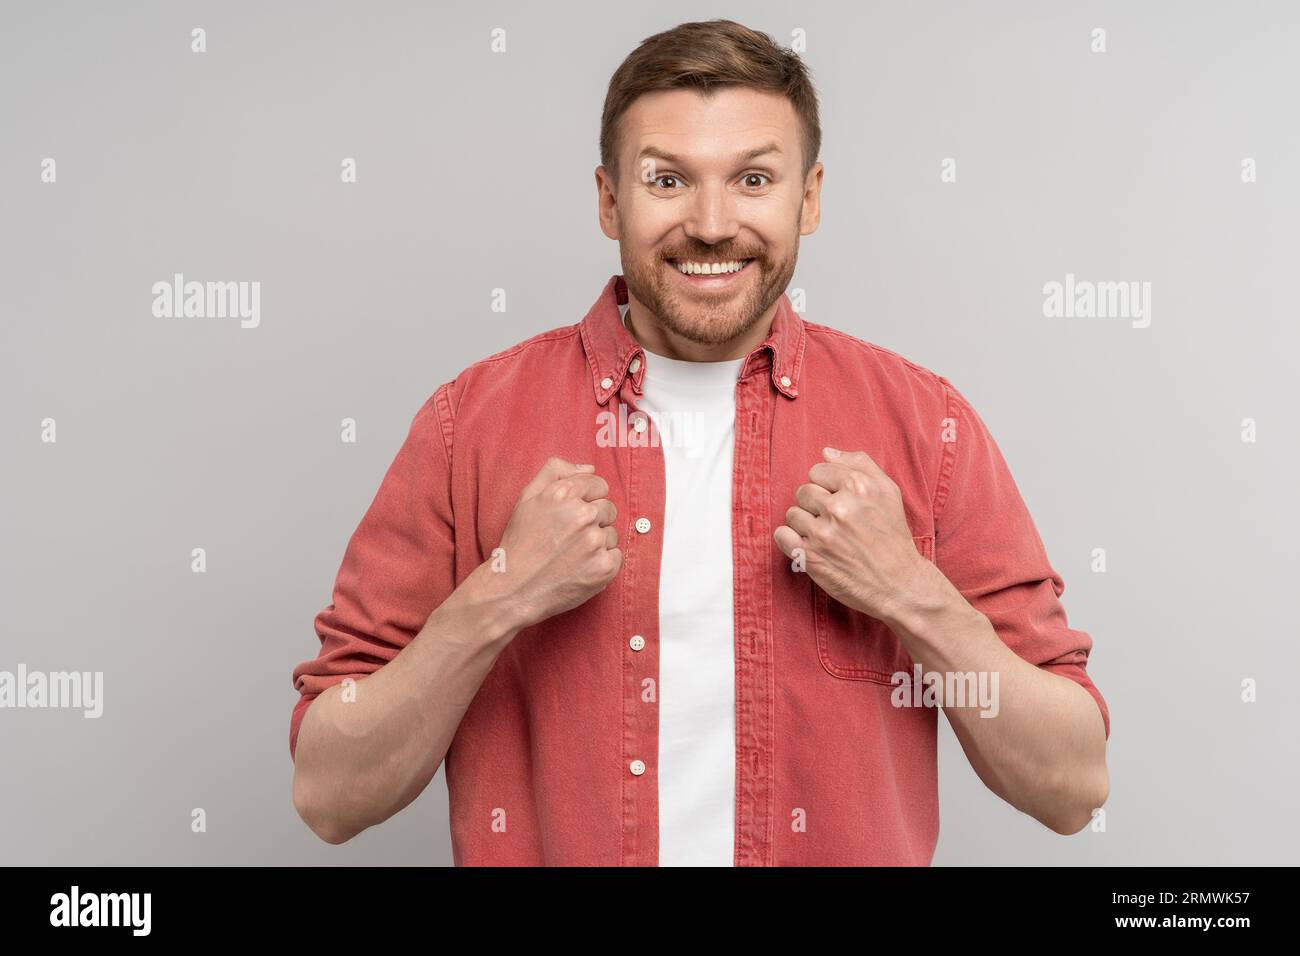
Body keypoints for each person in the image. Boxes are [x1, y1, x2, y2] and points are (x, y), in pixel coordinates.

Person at [289, 18, 1109, 866]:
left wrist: (911, 593)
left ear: (811, 197)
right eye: (669, 180)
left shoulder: (924, 426)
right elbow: (331, 794)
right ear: (610, 200)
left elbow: (1071, 786)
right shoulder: (472, 426)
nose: (712, 224)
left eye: (753, 178)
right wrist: (498, 595)